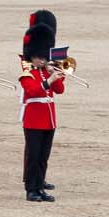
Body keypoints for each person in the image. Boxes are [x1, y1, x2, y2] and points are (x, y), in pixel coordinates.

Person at [17, 21, 64, 202]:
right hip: (34, 119)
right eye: (38, 56)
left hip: (48, 119)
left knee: (43, 156)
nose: (42, 59)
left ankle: (40, 187)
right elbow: (32, 91)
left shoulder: (46, 71)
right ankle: (31, 189)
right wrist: (49, 79)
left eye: (43, 56)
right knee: (33, 156)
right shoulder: (27, 73)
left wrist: (56, 74)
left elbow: (59, 90)